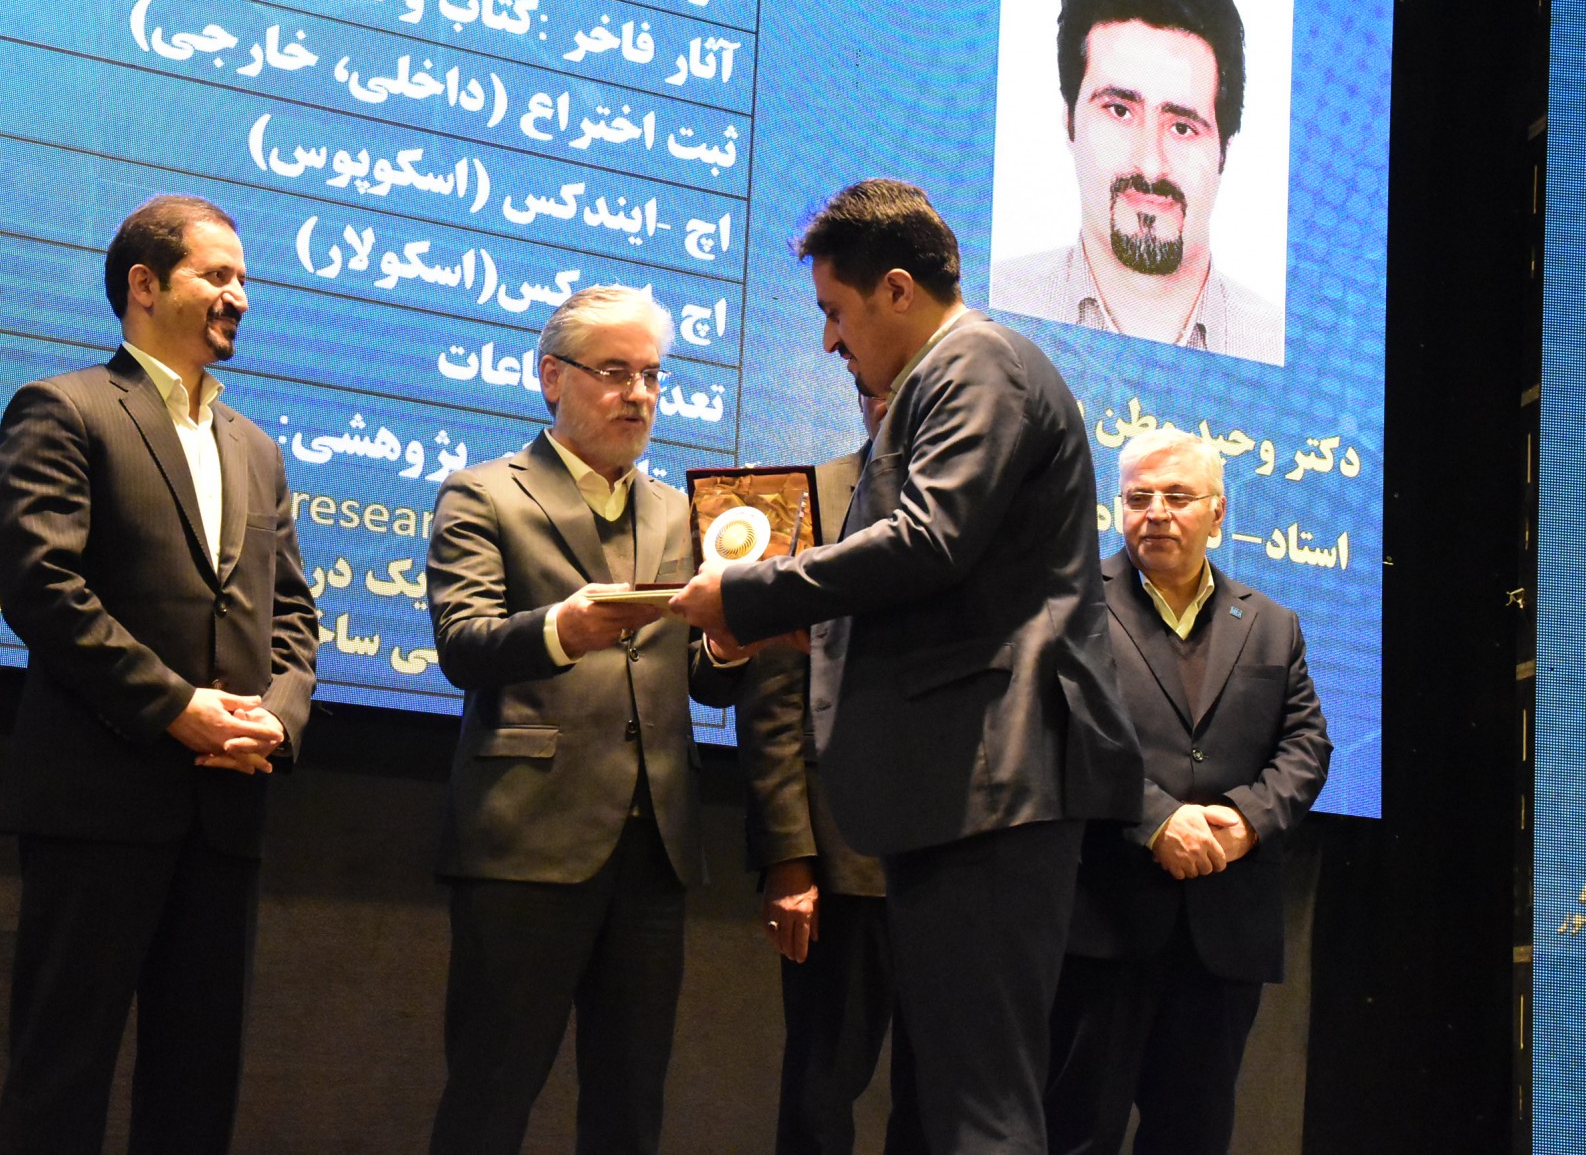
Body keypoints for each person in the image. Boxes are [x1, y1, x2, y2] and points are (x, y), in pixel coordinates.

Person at [670, 178, 1143, 1154]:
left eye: (834, 312)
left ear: (895, 289)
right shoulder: (946, 381)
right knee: (966, 1102)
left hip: (995, 784)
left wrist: (751, 595)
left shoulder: (975, 362)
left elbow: (930, 541)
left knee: (980, 1109)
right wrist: (810, 634)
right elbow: (953, 588)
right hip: (964, 786)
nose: (828, 342)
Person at [0, 194, 319, 1155]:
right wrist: (177, 709)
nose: (240, 296)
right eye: (217, 275)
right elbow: (43, 588)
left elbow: (293, 614)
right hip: (100, 802)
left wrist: (278, 720)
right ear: (143, 284)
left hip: (227, 808)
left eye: (244, 279)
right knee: (61, 1077)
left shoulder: (257, 447)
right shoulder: (66, 408)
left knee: (196, 1089)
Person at [424, 285, 743, 1155]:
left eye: (652, 375)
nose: (638, 395)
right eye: (614, 373)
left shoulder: (683, 512)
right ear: (552, 377)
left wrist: (733, 649)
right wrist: (562, 630)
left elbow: (702, 680)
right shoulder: (483, 494)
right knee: (491, 1097)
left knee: (631, 1109)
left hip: (655, 847)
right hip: (527, 838)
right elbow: (463, 645)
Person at [1044, 428, 1330, 1155]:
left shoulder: (1271, 624)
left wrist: (1245, 820)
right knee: (1077, 1132)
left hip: (1224, 929)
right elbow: (1060, 732)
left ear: (1218, 512)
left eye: (1177, 496)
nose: (1157, 513)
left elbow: (1307, 747)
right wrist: (1157, 821)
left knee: (1195, 1137)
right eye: (1139, 497)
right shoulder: (1071, 604)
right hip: (1103, 920)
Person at [734, 391, 927, 1155]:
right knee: (821, 1088)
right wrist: (789, 858)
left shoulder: (988, 511)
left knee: (943, 1099)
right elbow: (772, 700)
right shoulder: (804, 499)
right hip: (842, 862)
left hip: (960, 861)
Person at [991, 0, 1282, 364]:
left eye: (1182, 127)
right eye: (1120, 111)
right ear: (1070, 120)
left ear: (1224, 151)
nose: (1149, 165)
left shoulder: (1272, 343)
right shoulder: (991, 307)